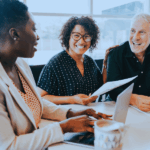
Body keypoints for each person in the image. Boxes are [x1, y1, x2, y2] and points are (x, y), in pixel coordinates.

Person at [0, 1, 112, 149]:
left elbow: (34, 102)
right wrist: (63, 127)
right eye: (33, 29)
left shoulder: (20, 65)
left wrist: (71, 113)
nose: (38, 36)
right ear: (15, 34)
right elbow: (8, 146)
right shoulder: (56, 62)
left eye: (86, 36)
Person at [37, 16, 118, 105]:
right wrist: (72, 99)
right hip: (65, 116)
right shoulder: (55, 63)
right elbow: (40, 97)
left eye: (86, 36)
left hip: (90, 112)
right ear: (68, 37)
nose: (81, 41)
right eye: (76, 35)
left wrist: (106, 62)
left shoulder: (89, 62)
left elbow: (103, 85)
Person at [107, 13, 150, 112]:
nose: (135, 37)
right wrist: (133, 99)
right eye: (132, 31)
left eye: (142, 32)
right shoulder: (115, 54)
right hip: (122, 110)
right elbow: (112, 89)